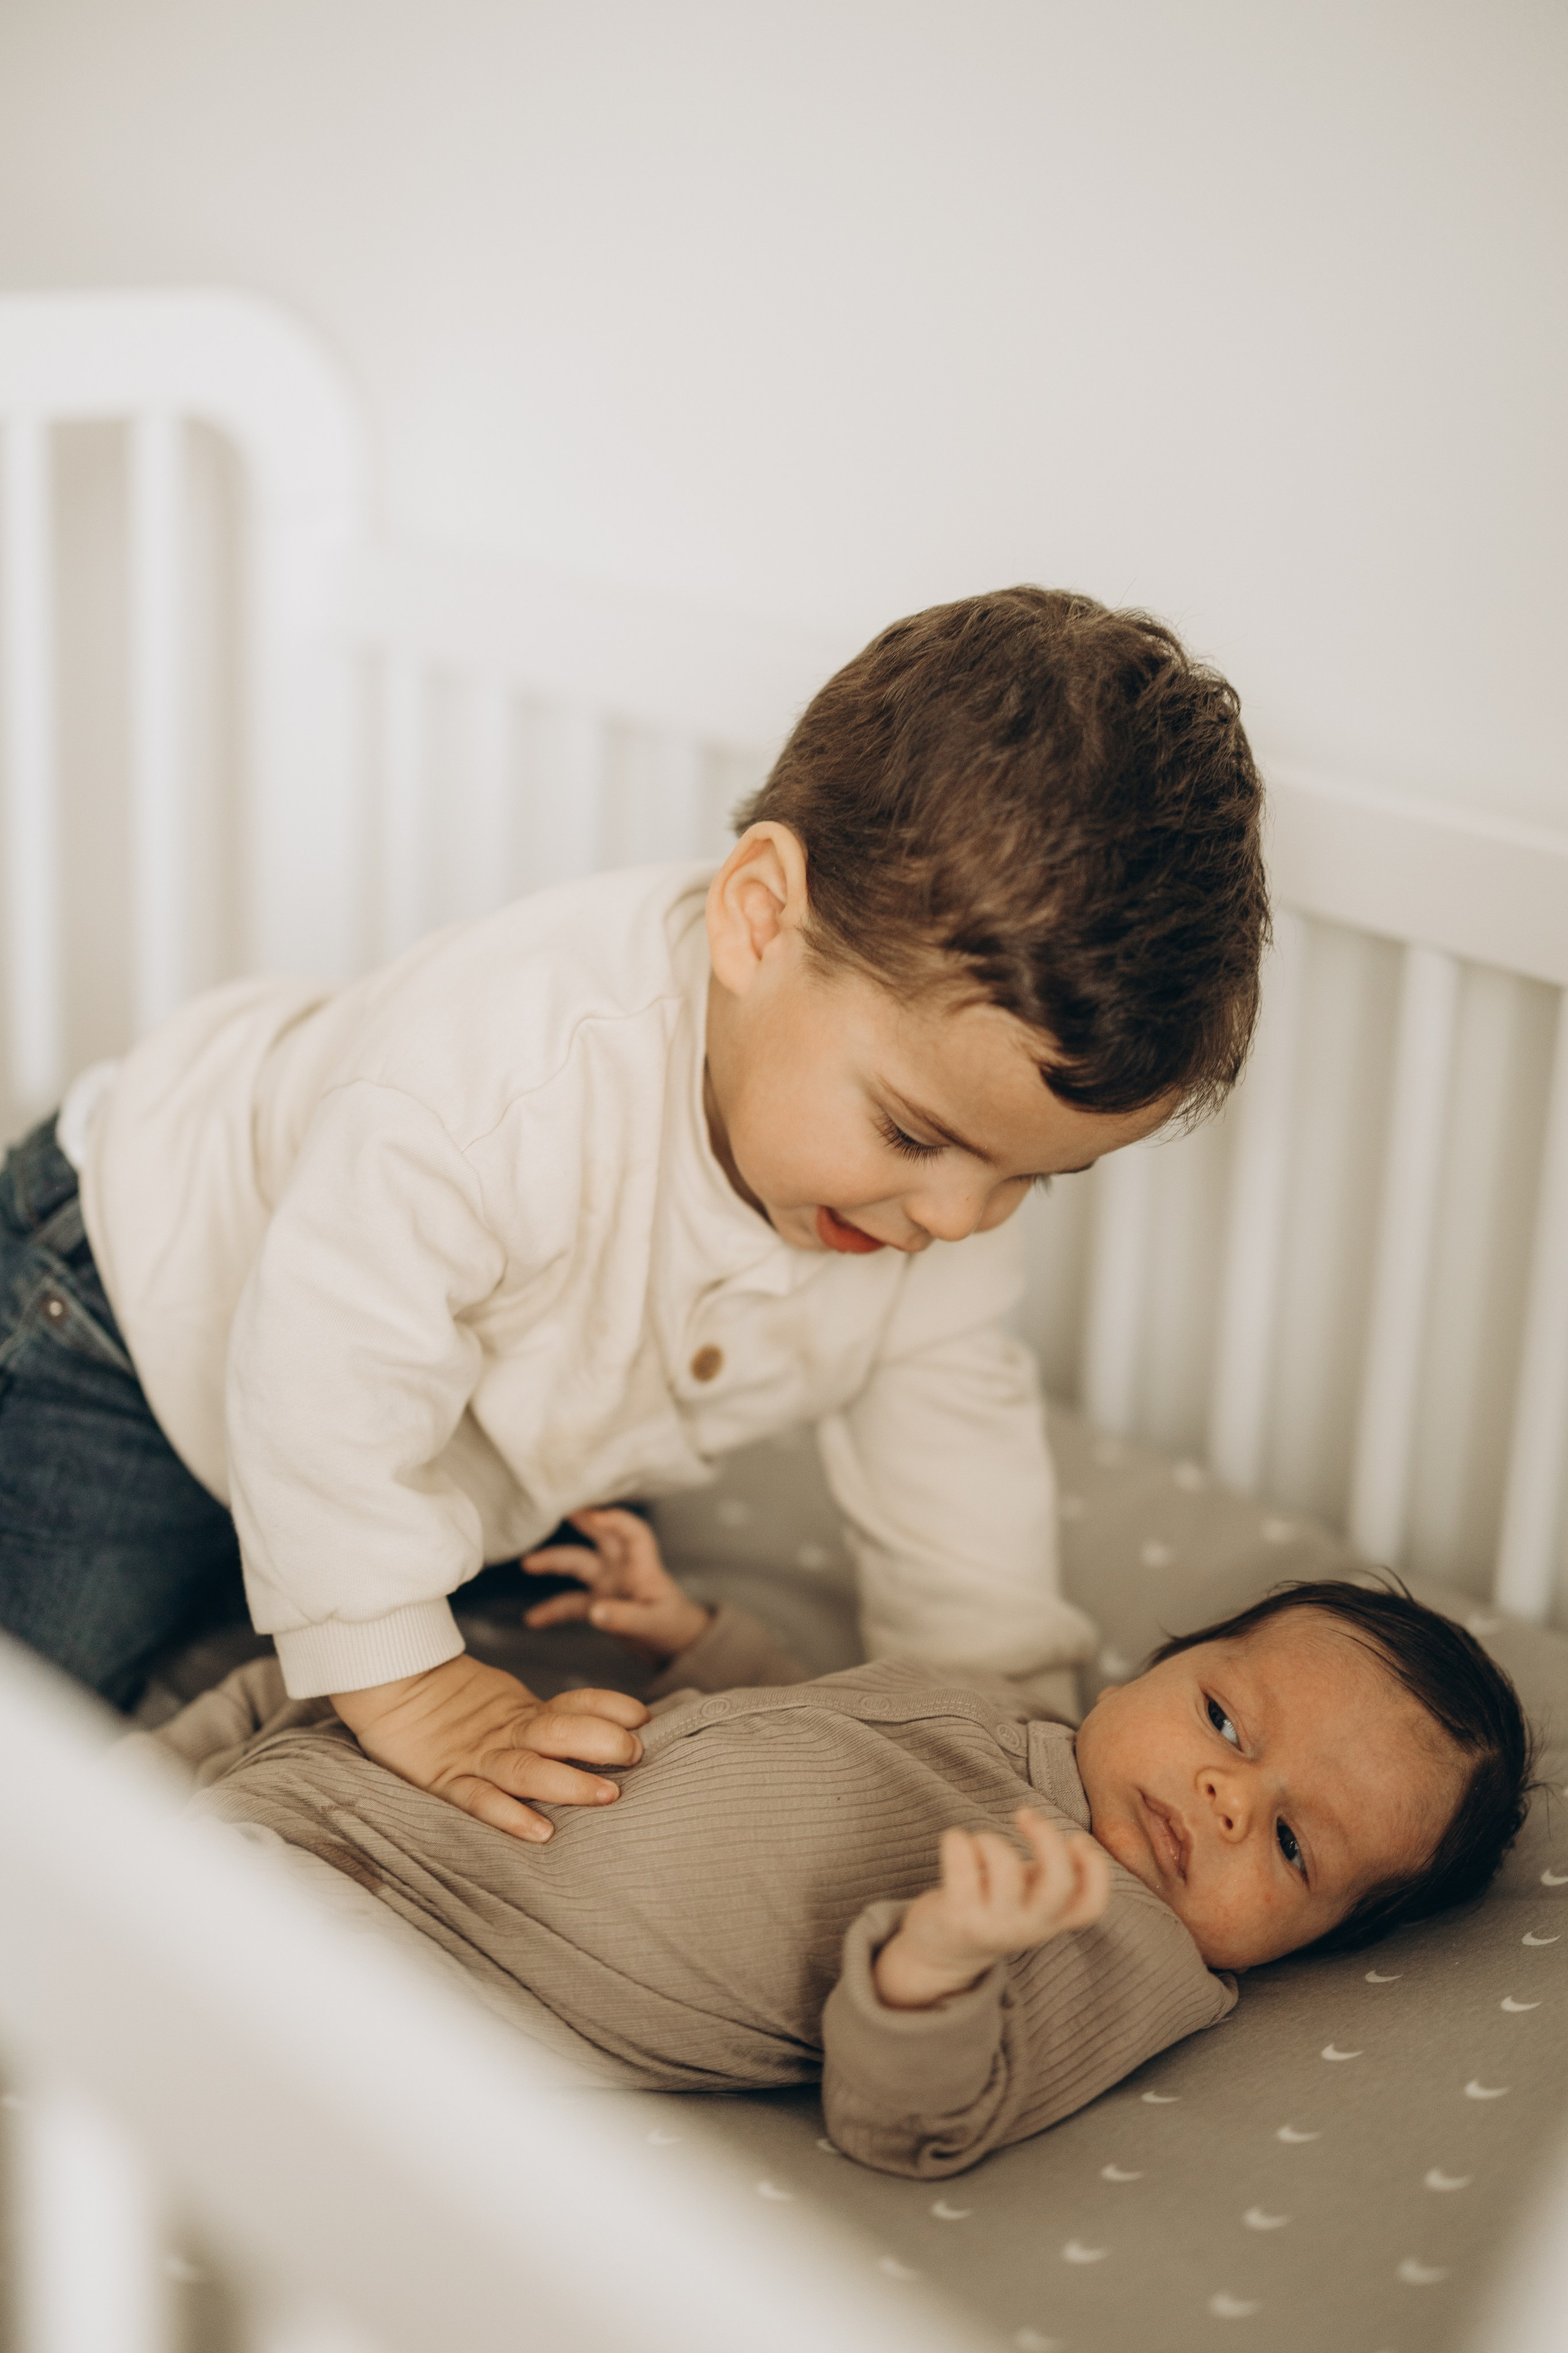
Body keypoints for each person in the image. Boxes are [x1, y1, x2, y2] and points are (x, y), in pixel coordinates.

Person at [0, 587, 1268, 1834]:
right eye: (911, 1133)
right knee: (40, 1713)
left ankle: (332, 1547)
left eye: (1027, 1175)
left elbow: (958, 1466)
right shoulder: (500, 1078)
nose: (953, 1216)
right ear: (758, 919)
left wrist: (997, 1748)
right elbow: (321, 1350)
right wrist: (412, 1684)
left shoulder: (928, 1192)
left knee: (556, 1589)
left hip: (442, 1406)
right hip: (134, 1317)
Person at [146, 1513, 1534, 2178]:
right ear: (1153, 1665)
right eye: (1226, 1715)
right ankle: (130, 1806)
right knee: (318, 1686)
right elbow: (827, 1714)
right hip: (470, 1792)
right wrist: (705, 1640)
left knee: (223, 1930)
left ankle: (108, 1865)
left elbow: (913, 2120)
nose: (1228, 1793)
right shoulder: (1015, 1711)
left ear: (1315, 1944)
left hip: (467, 1946)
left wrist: (936, 1965)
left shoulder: (1115, 1934)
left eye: (1291, 1844)